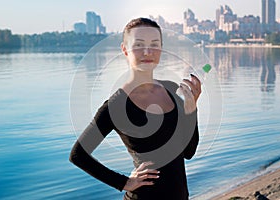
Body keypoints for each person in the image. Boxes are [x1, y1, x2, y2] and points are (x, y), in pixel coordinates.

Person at [69, 17, 201, 200]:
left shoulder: (172, 89)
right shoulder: (116, 106)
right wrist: (124, 183)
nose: (147, 52)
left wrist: (191, 110)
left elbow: (188, 152)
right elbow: (78, 155)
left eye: (154, 44)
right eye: (138, 45)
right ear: (125, 49)